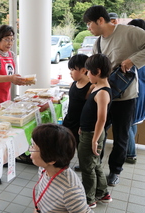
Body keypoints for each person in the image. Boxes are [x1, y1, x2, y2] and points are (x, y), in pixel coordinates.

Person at [83, 5, 145, 186]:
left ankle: (115, 170)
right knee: (99, 131)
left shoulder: (130, 32)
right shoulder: (98, 42)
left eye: (89, 24)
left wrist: (133, 60)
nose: (88, 28)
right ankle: (94, 164)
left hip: (126, 97)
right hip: (103, 95)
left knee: (121, 136)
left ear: (100, 20)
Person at [30, 123, 93, 213]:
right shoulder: (44, 168)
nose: (30, 150)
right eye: (32, 144)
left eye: (34, 147)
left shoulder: (70, 191)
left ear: (51, 159)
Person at [79, 54, 113, 208]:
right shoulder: (97, 87)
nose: (87, 75)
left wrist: (94, 140)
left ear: (97, 71)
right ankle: (103, 192)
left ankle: (89, 198)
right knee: (95, 164)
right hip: (89, 132)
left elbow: (101, 119)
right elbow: (90, 112)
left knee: (87, 167)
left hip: (93, 135)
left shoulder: (103, 93)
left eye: (88, 72)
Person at [62, 54, 95, 171]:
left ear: (84, 70)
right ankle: (63, 166)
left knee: (81, 149)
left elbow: (90, 110)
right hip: (69, 120)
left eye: (72, 70)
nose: (70, 73)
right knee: (66, 146)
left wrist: (84, 125)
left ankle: (85, 167)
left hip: (80, 124)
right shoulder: (73, 84)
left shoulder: (91, 87)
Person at [125, 19, 145, 164]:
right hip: (142, 94)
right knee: (133, 123)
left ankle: (131, 154)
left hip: (134, 94)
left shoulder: (136, 55)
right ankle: (130, 151)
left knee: (127, 124)